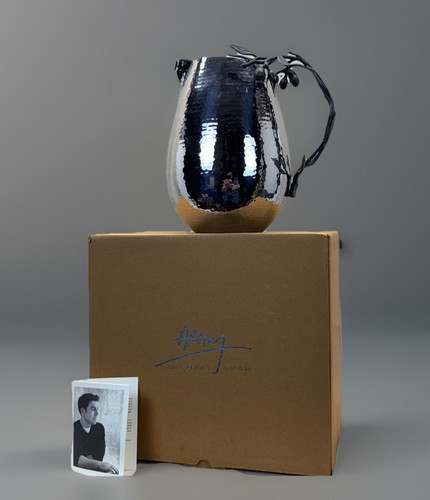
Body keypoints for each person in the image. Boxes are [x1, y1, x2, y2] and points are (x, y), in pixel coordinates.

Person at [73, 393, 119, 474]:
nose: (97, 413)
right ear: (83, 411)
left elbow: (98, 456)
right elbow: (75, 460)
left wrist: (84, 460)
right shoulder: (73, 429)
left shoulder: (99, 428)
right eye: (93, 409)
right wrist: (98, 464)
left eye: (97, 409)